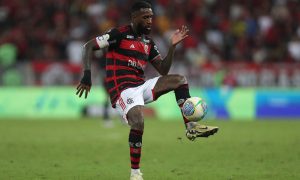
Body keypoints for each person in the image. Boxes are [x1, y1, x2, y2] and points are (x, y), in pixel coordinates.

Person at [76, 1, 219, 179]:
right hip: (122, 90)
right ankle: (135, 173)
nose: (150, 21)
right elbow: (88, 46)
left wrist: (172, 47)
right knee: (138, 121)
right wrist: (87, 75)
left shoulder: (148, 42)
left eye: (151, 17)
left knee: (180, 80)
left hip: (141, 86)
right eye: (145, 17)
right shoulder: (117, 34)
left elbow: (163, 70)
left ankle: (191, 127)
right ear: (134, 18)